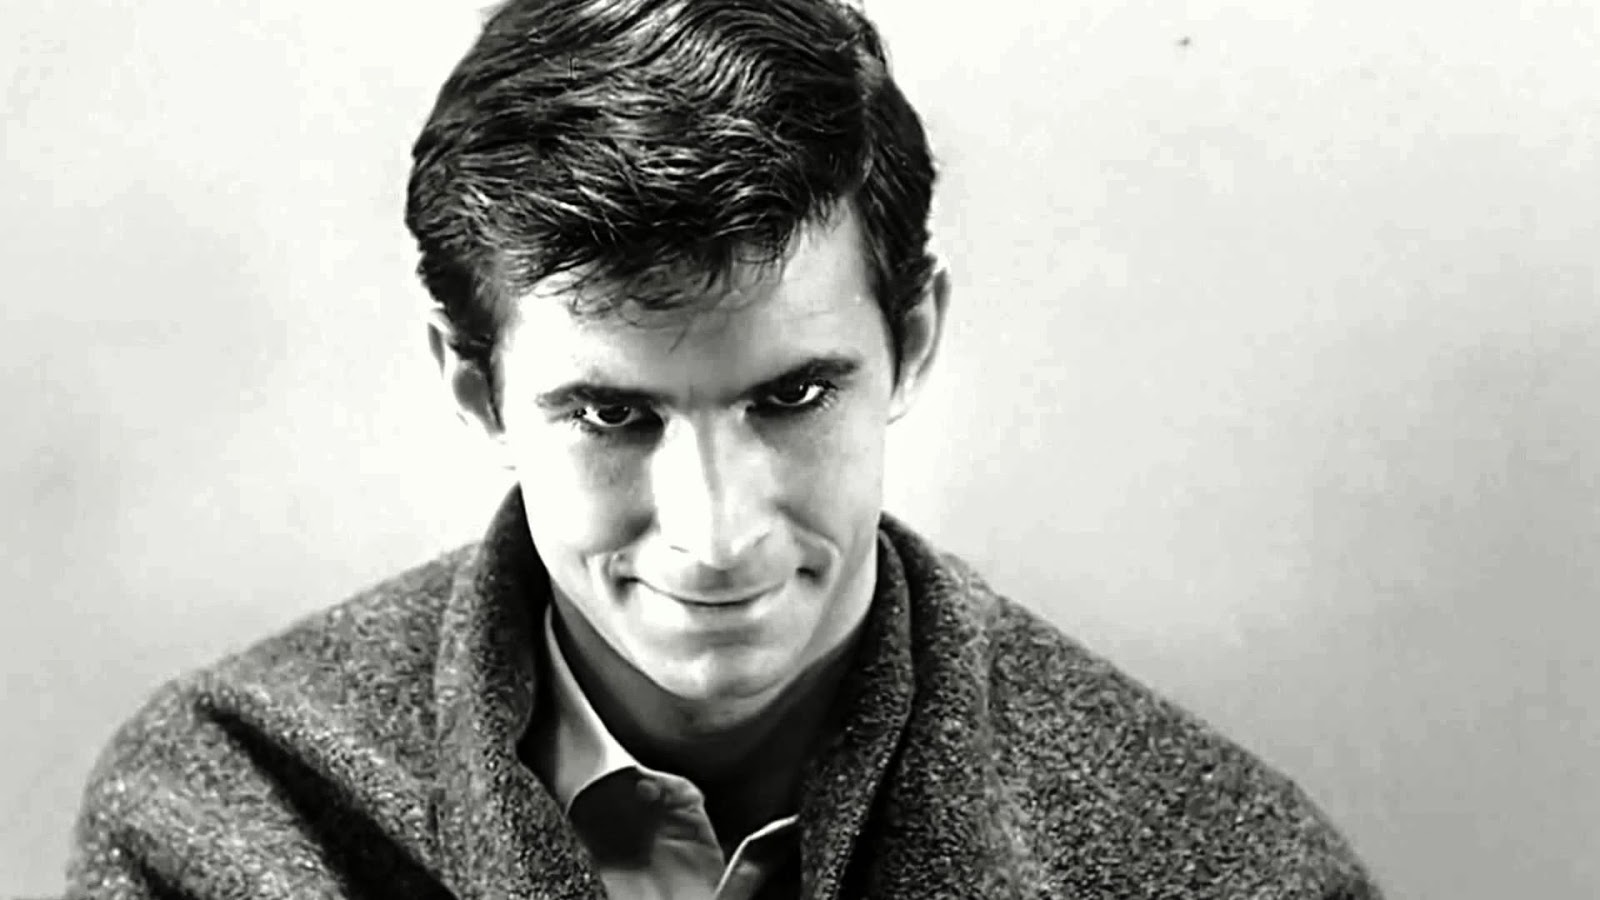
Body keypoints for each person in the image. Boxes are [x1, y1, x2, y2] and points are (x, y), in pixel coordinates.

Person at [63, 1, 1383, 898]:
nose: (715, 533)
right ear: (475, 385)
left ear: (913, 338)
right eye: (611, 415)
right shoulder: (234, 814)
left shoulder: (1214, 863)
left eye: (792, 396)